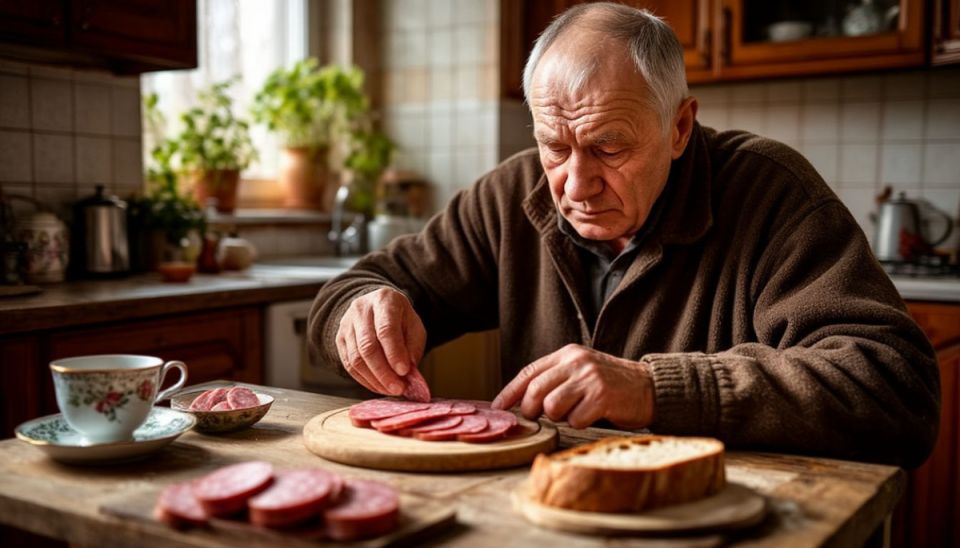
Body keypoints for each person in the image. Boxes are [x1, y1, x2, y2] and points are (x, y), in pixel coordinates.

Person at [309, 2, 939, 467]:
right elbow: (362, 283)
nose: (575, 185)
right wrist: (358, 311)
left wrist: (652, 388)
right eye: (554, 146)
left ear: (680, 128)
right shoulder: (511, 194)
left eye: (609, 147)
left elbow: (894, 390)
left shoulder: (772, 193)